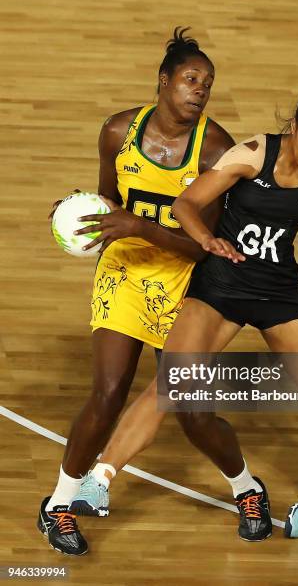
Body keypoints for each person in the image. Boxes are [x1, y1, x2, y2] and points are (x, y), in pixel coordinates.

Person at [78, 68, 298, 545]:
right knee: (174, 382)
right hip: (223, 284)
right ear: (297, 125)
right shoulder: (252, 153)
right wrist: (208, 240)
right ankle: (99, 479)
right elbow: (187, 203)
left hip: (279, 292)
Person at [37, 27, 235, 556]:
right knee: (107, 394)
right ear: (163, 81)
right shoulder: (117, 132)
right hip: (124, 270)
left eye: (208, 85)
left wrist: (141, 229)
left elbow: (203, 248)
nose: (200, 91)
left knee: (194, 414)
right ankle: (58, 506)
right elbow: (107, 202)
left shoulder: (216, 149)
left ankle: (245, 486)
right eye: (191, 79)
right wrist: (75, 216)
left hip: (184, 280)